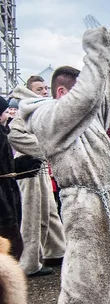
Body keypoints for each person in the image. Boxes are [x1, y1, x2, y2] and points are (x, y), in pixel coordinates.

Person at [20, 24, 110, 304]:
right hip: (82, 203)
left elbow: (109, 97)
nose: (93, 97)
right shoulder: (47, 116)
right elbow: (87, 98)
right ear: (62, 92)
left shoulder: (88, 121)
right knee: (83, 283)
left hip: (104, 199)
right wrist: (96, 47)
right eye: (82, 88)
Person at [8, 76, 66, 277]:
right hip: (28, 168)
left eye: (44, 88)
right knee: (32, 217)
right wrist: (47, 148)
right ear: (29, 91)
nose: (44, 91)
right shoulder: (23, 114)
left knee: (49, 211)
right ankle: (29, 262)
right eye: (39, 89)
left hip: (39, 167)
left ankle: (56, 250)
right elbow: (14, 137)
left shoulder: (42, 111)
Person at [0, 95, 41, 260]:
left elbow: (4, 168)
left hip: (7, 191)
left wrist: (23, 166)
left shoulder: (2, 133)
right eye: (5, 112)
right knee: (9, 244)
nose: (8, 115)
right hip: (3, 199)